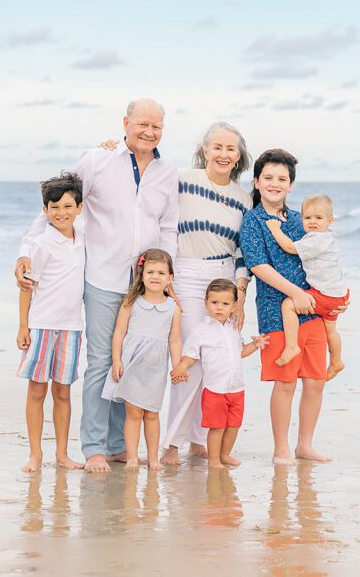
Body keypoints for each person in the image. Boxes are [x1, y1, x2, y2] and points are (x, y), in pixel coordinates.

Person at [15, 98, 178, 473]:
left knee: (133, 363)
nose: (149, 132)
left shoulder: (168, 172)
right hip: (103, 277)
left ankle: (122, 444)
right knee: (102, 361)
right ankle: (94, 447)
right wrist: (26, 251)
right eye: (142, 124)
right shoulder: (97, 160)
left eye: (156, 126)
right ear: (126, 122)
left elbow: (169, 226)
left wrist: (167, 278)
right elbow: (58, 205)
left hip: (145, 286)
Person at [107, 122, 253, 465]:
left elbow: (241, 251)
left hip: (225, 281)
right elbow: (149, 204)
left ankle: (200, 441)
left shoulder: (244, 198)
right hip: (186, 274)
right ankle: (171, 443)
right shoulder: (183, 179)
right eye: (217, 147)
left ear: (239, 156)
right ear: (205, 151)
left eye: (230, 148)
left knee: (217, 360)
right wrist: (114, 151)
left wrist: (242, 295)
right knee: (190, 361)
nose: (223, 154)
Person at [239, 149, 345, 466]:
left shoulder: (303, 220)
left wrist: (338, 296)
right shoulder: (253, 221)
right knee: (285, 382)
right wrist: (294, 293)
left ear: (290, 185)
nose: (275, 183)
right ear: (257, 182)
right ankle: (281, 448)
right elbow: (258, 266)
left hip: (314, 307)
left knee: (314, 381)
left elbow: (326, 259)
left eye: (282, 179)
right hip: (276, 311)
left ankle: (305, 445)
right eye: (268, 177)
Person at [15, 172, 86, 473]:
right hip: (42, 325)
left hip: (72, 328)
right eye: (54, 207)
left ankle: (62, 453)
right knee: (36, 391)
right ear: (44, 211)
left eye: (68, 207)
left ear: (79, 208)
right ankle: (35, 454)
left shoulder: (83, 240)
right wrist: (23, 326)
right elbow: (26, 287)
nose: (61, 213)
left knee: (63, 392)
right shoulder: (41, 245)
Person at [170, 279, 267, 469]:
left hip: (237, 388)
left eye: (225, 304)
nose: (219, 308)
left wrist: (255, 346)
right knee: (217, 426)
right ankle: (214, 459)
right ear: (206, 303)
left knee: (234, 425)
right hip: (215, 389)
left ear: (233, 306)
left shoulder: (232, 328)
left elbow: (239, 352)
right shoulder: (201, 331)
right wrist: (181, 367)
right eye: (214, 303)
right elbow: (191, 355)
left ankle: (225, 454)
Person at [102, 249, 183, 470]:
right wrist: (116, 360)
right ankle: (132, 457)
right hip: (132, 365)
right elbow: (119, 332)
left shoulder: (173, 308)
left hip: (155, 367)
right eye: (150, 272)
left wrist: (177, 366)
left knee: (152, 414)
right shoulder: (131, 302)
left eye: (160, 272)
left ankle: (154, 458)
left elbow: (174, 341)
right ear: (142, 274)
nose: (155, 276)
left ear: (170, 278)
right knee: (134, 413)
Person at [265, 194, 348, 380]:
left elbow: (289, 247)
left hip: (325, 294)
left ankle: (292, 345)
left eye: (318, 218)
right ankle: (336, 361)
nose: (312, 222)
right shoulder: (327, 238)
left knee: (288, 304)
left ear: (330, 220)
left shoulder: (317, 240)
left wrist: (275, 228)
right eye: (307, 218)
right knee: (331, 330)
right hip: (337, 294)